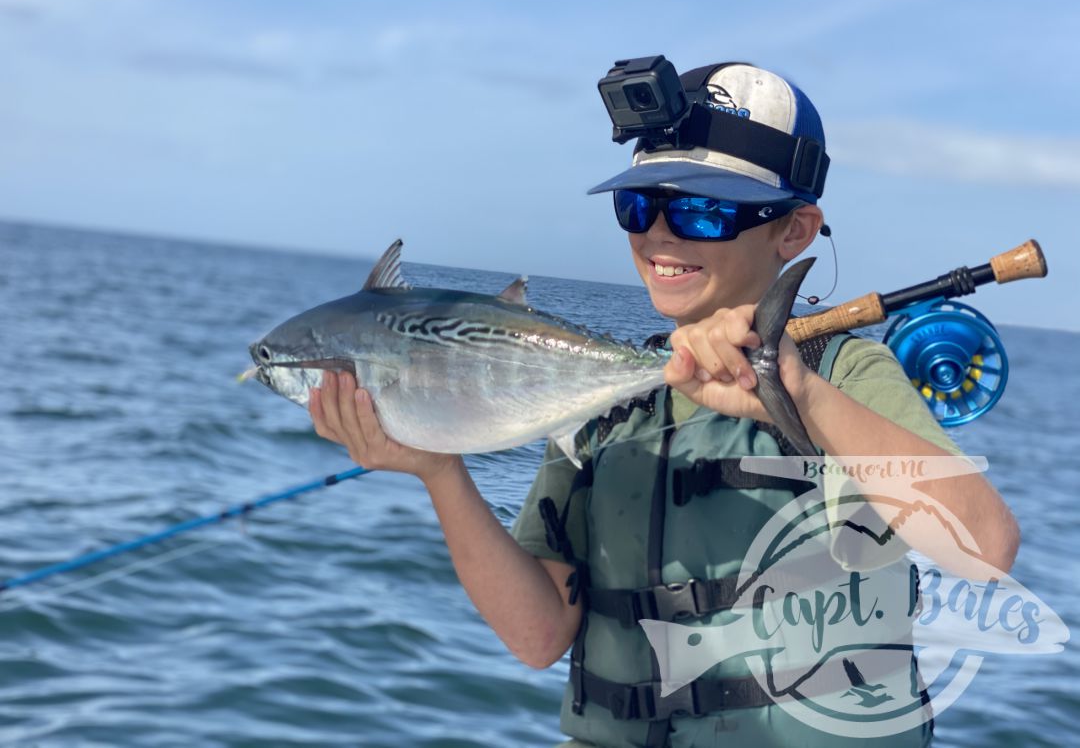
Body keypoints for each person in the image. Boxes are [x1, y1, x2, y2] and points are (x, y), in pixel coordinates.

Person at [307, 61, 1020, 747]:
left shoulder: (842, 373)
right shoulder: (611, 404)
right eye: (638, 205)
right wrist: (440, 472)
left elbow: (986, 549)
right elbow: (537, 636)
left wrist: (793, 389)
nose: (658, 234)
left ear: (793, 231)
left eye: (702, 212)